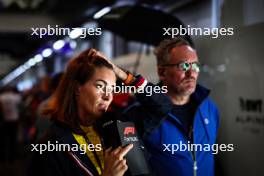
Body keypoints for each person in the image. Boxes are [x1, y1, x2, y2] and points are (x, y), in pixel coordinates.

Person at [103, 37, 220, 176]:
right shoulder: (139, 115)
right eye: (184, 66)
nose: (191, 73)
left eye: (195, 66)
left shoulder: (209, 108)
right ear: (162, 72)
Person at [28, 48, 133, 176]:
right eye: (100, 86)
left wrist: (120, 72)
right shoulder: (49, 146)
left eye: (112, 89)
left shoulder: (114, 128)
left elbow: (161, 107)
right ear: (77, 88)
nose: (108, 96)